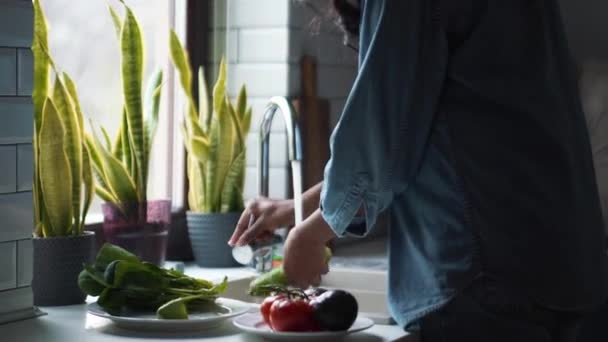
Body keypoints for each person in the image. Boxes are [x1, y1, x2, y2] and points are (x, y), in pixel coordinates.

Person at [228, 1, 608, 341]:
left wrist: (310, 235)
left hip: (485, 273)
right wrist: (295, 210)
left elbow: (382, 134)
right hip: (563, 263)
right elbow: (420, 140)